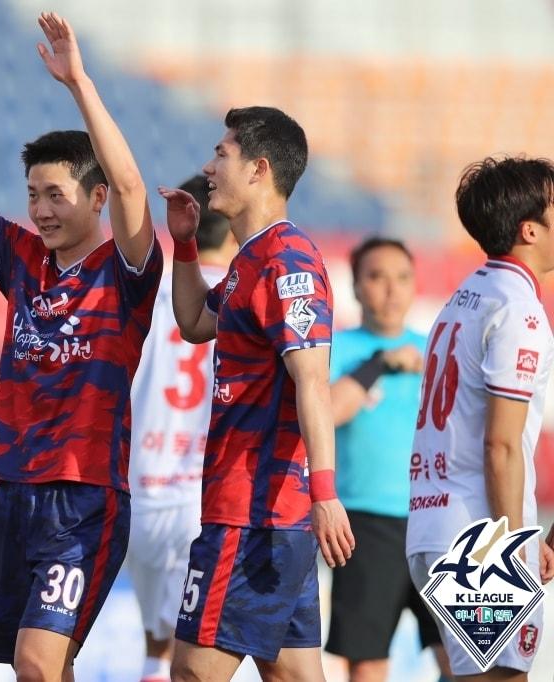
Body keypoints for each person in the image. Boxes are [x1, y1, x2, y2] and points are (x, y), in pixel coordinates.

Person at [0, 7, 162, 681]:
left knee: (38, 662)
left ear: (96, 198)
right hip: (15, 491)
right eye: (32, 195)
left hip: (85, 495)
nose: (41, 209)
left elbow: (133, 186)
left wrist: (78, 82)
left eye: (56, 194)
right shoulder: (22, 260)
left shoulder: (126, 273)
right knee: (43, 667)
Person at [159, 106, 354, 682]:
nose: (208, 167)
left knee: (192, 672)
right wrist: (186, 245)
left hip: (253, 512)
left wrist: (324, 493)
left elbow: (311, 379)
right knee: (293, 674)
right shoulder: (252, 259)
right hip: (267, 515)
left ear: (259, 169)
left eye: (221, 154)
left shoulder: (287, 262)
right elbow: (195, 322)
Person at [406, 156, 554, 681]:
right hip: (480, 538)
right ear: (529, 229)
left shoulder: (465, 297)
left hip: (434, 524)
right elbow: (502, 446)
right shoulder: (518, 309)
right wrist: (516, 546)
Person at [324, 237, 451, 681]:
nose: (391, 289)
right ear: (356, 287)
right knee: (368, 664)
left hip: (440, 522)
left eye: (402, 277)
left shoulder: (438, 350)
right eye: (376, 277)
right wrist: (379, 364)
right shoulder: (334, 348)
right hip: (366, 524)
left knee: (463, 659)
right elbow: (327, 411)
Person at [125, 175, 235, 682]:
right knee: (200, 651)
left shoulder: (147, 293)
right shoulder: (241, 294)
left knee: (157, 642)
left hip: (142, 489)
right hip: (207, 498)